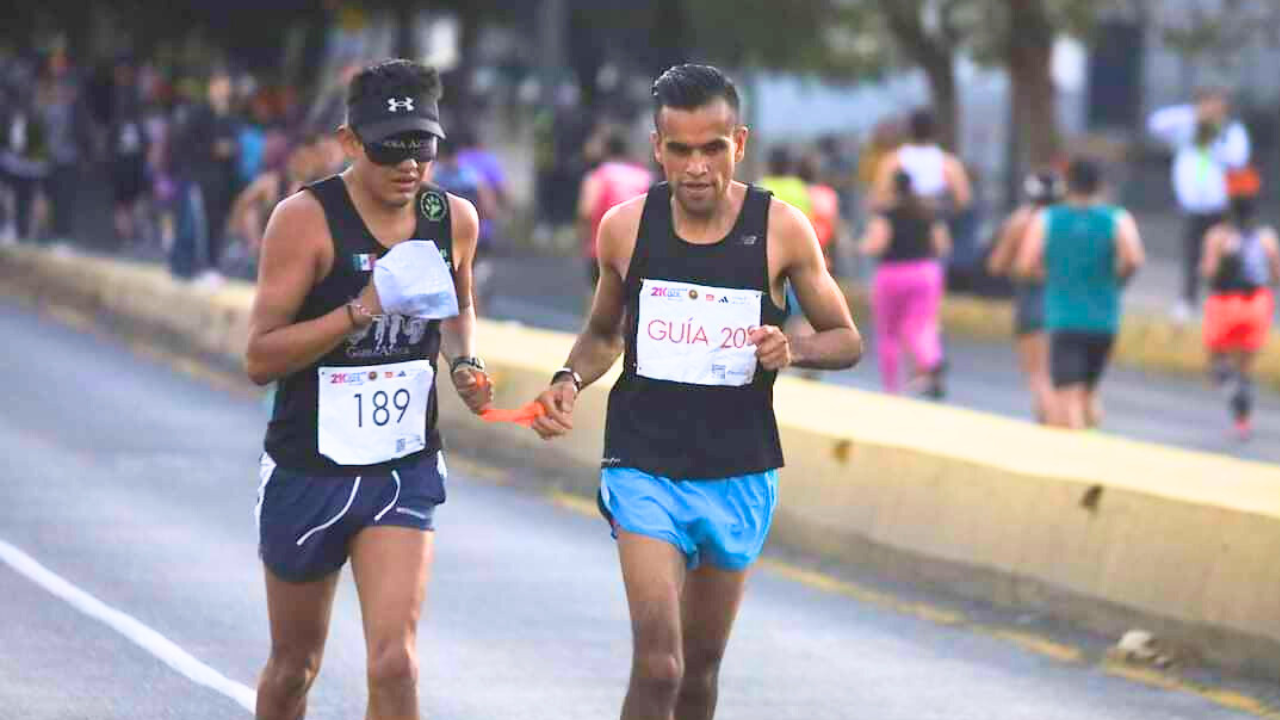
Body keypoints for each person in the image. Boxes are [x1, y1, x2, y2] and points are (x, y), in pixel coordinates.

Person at [529, 64, 861, 720]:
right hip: (643, 466)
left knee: (700, 673)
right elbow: (602, 334)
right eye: (679, 149)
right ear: (658, 148)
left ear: (739, 143)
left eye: (713, 148)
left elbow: (847, 339)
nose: (697, 166)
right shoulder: (625, 228)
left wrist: (794, 347)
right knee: (660, 666)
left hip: (737, 470)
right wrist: (567, 380)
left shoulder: (782, 229)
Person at [243, 59, 493, 720]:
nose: (409, 165)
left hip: (400, 466)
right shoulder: (305, 220)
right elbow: (259, 357)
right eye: (389, 147)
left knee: (395, 663)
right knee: (295, 668)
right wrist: (361, 310)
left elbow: (458, 305)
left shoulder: (452, 218)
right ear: (352, 141)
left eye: (423, 146)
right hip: (309, 468)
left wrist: (466, 364)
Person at [1016, 158, 1145, 430]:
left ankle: (1079, 457)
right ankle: (1094, 444)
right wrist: (1115, 279)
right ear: (1099, 185)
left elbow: (1025, 264)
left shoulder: (1047, 219)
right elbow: (1133, 258)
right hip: (1104, 318)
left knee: (1068, 396)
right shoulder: (1117, 219)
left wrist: (1055, 275)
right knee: (1089, 392)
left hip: (1065, 317)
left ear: (1068, 185)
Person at [1148, 88, 1251, 322]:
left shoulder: (1230, 130)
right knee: (1191, 254)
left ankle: (1220, 301)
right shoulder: (1187, 127)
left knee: (1222, 256)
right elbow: (1156, 124)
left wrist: (1214, 141)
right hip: (1192, 205)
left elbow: (1238, 159)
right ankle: (1188, 300)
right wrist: (1194, 117)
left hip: (1220, 205)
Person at [860, 171, 950, 397]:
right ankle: (930, 361)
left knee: (889, 332)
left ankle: (892, 388)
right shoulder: (929, 213)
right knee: (921, 324)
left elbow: (877, 244)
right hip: (925, 272)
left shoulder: (886, 214)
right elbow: (941, 245)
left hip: (892, 274)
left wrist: (859, 245)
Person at [986, 169, 1065, 422]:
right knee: (1066, 379)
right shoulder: (1068, 220)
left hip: (1033, 299)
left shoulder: (1021, 220)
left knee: (1039, 376)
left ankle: (1053, 432)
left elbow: (997, 264)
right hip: (1070, 301)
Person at [1200, 191, 1279, 440]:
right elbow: (1276, 274)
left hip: (1225, 303)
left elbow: (1209, 271)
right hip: (1257, 304)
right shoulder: (1267, 238)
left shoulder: (1218, 236)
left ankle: (1227, 384)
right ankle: (1242, 421)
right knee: (1245, 368)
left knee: (1216, 359)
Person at [577, 129, 653, 291]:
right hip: (640, 251)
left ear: (605, 149)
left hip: (604, 250)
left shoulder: (598, 175)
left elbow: (586, 211)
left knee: (600, 302)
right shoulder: (643, 175)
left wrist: (584, 243)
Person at [871, 109, 971, 213]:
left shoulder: (894, 161)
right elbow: (964, 200)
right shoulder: (948, 163)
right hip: (908, 218)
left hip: (930, 219)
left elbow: (878, 199)